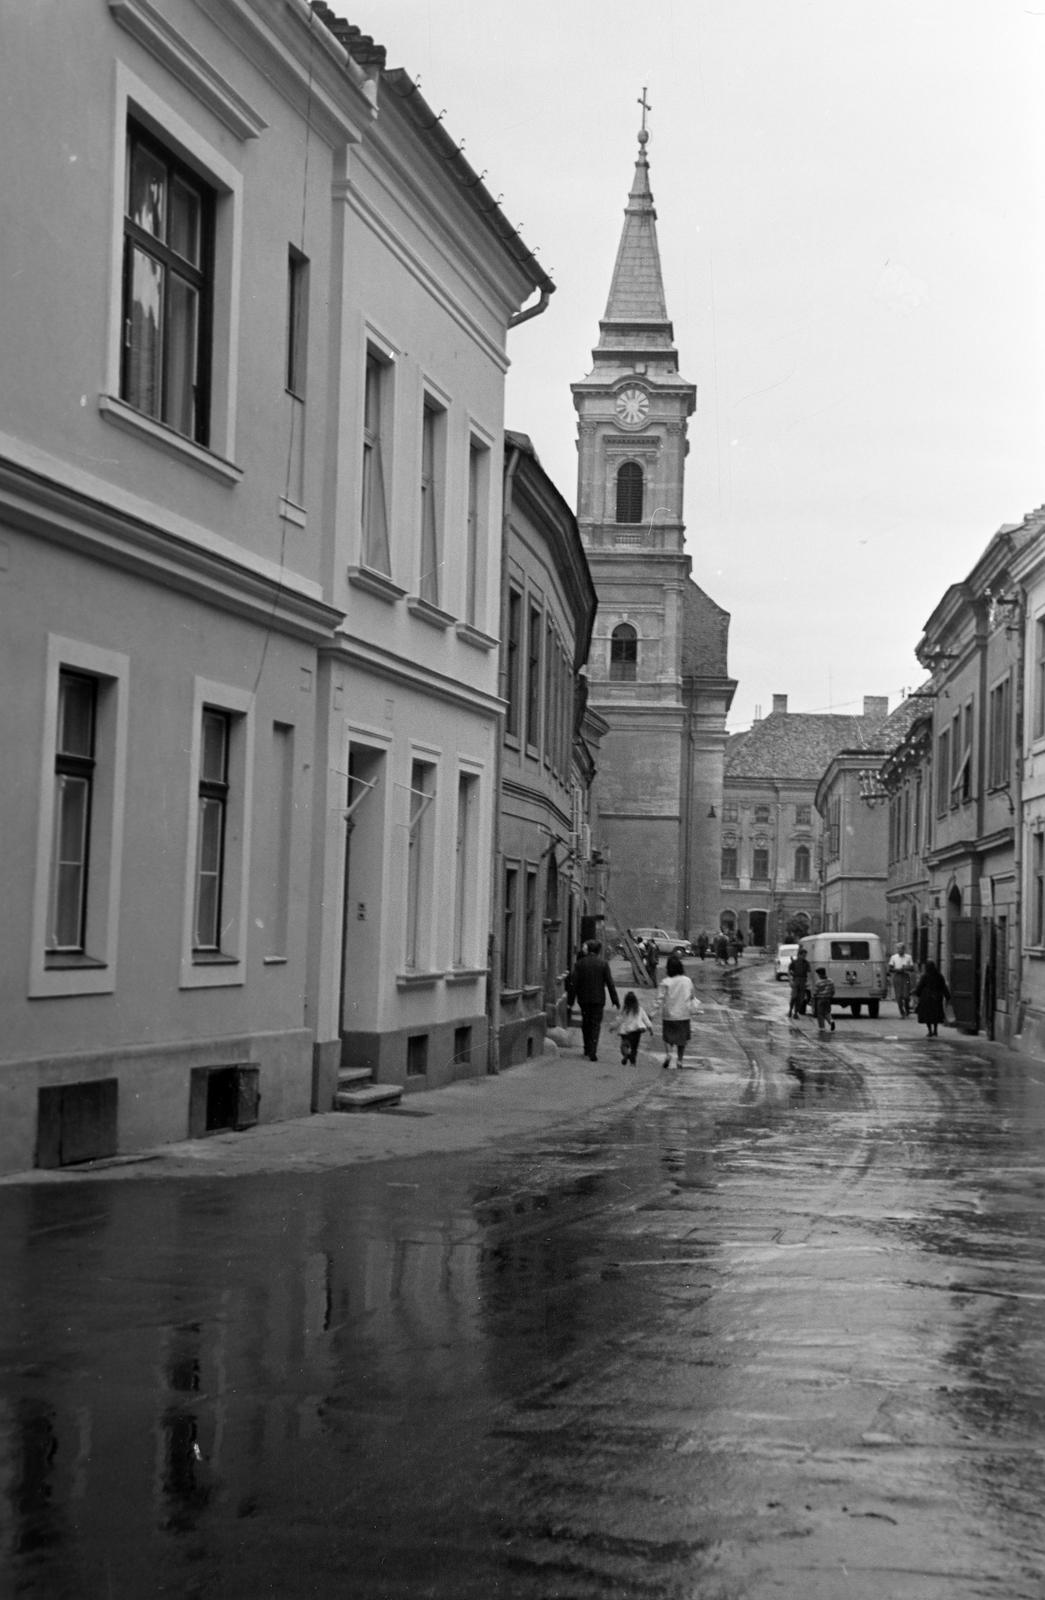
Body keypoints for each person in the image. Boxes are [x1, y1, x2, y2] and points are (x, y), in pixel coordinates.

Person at [565, 940, 619, 1061]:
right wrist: (615, 999)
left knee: (586, 1023)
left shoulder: (580, 964)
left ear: (588, 950)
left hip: (584, 999)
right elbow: (610, 983)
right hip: (598, 999)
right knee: (595, 1024)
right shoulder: (603, 964)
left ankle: (586, 1047)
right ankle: (593, 1050)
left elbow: (574, 984)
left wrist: (570, 1001)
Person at [654, 954, 702, 1069]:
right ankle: (680, 1060)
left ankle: (669, 1053)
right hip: (683, 1014)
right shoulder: (687, 981)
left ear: (668, 968)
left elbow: (659, 999)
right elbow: (692, 996)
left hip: (669, 1015)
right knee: (682, 1039)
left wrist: (651, 1013)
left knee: (667, 1037)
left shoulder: (665, 982)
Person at [615, 990, 654, 1064]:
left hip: (625, 1032)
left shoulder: (624, 1010)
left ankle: (626, 1054)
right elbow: (646, 1020)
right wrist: (650, 1029)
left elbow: (619, 1019)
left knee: (624, 1045)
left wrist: (613, 1027)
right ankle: (633, 1062)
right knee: (634, 1048)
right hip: (636, 1031)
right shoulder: (639, 1009)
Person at [914, 960, 950, 1038]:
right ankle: (935, 1030)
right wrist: (947, 996)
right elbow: (943, 986)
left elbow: (920, 986)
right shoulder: (939, 976)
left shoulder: (925, 976)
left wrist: (917, 993)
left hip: (926, 998)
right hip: (937, 997)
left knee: (928, 1016)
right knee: (935, 1015)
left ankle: (930, 1031)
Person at [888, 943, 915, 1017]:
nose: (899, 950)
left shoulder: (908, 957)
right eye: (898, 949)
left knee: (906, 995)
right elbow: (890, 969)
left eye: (901, 949)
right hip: (897, 977)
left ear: (904, 949)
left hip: (906, 976)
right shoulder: (893, 957)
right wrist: (897, 969)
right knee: (898, 996)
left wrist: (906, 968)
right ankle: (902, 1012)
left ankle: (907, 1009)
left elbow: (912, 968)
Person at [789, 945, 811, 1018]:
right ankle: (790, 1009)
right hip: (796, 981)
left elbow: (809, 972)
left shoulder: (806, 963)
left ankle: (796, 1013)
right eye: (803, 955)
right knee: (794, 997)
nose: (804, 957)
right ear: (799, 955)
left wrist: (808, 982)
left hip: (803, 982)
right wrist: (790, 981)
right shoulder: (794, 962)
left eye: (805, 956)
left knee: (800, 999)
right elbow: (789, 971)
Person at [812, 966, 836, 1032]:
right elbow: (833, 991)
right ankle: (831, 1021)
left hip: (820, 999)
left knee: (820, 1014)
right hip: (828, 999)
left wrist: (813, 998)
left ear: (819, 974)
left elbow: (815, 992)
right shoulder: (831, 981)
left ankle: (822, 1027)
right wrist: (830, 996)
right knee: (827, 1012)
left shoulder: (818, 982)